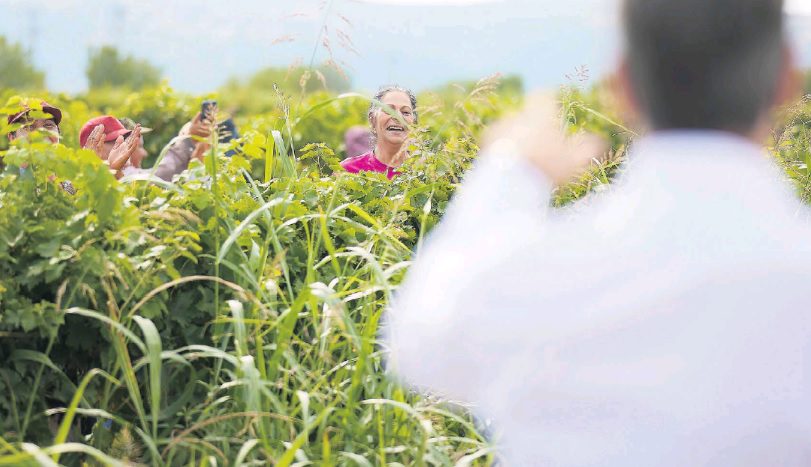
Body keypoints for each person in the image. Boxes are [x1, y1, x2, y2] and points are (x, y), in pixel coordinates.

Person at [386, 0, 811, 465]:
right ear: (787, 78)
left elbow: (417, 345)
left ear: (622, 84)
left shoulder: (532, 270)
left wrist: (509, 174)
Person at [80, 113, 211, 182]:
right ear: (93, 147)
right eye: (116, 142)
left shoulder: (124, 174)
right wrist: (186, 141)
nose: (122, 149)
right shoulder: (78, 182)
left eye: (125, 141)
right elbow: (158, 176)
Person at [340, 85, 417, 179]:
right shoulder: (347, 170)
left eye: (405, 112)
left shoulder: (425, 172)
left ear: (414, 122)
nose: (398, 117)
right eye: (388, 110)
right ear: (372, 120)